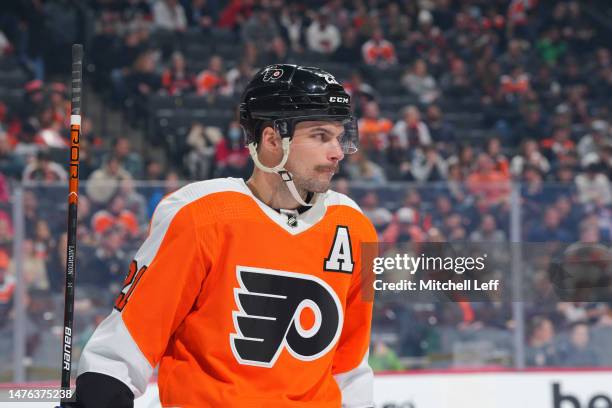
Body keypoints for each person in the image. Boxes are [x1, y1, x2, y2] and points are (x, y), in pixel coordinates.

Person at [75, 64, 378, 407]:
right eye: (321, 136)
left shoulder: (353, 227)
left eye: (340, 136)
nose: (337, 151)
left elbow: (350, 368)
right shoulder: (201, 216)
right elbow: (122, 351)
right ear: (272, 139)